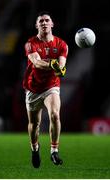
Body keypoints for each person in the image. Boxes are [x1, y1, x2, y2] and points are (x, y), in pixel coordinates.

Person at [23, 11, 68, 168]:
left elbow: (61, 66)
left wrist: (59, 68)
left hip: (51, 86)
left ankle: (54, 151)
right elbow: (37, 63)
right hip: (33, 87)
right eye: (40, 21)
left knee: (55, 115)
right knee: (34, 124)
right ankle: (35, 148)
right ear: (37, 25)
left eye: (46, 20)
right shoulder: (30, 43)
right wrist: (52, 65)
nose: (43, 23)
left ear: (52, 24)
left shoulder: (62, 45)